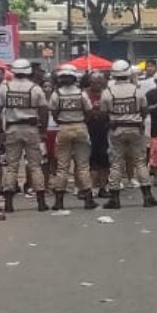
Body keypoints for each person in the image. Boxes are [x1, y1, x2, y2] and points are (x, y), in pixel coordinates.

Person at [102, 59, 157, 209]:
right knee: (140, 162)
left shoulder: (107, 93)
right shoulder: (136, 91)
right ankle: (147, 196)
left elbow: (103, 113)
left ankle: (115, 198)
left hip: (116, 130)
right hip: (135, 129)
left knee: (116, 163)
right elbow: (145, 110)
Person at [0, 58, 49, 213]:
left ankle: (9, 203)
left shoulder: (4, 88)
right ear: (28, 72)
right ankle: (41, 202)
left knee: (11, 166)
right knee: (35, 165)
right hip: (31, 129)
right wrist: (43, 130)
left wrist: (0, 130)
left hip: (12, 129)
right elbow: (44, 110)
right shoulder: (35, 88)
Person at [49, 64, 98, 211]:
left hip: (63, 128)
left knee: (62, 166)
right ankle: (88, 199)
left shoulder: (56, 94)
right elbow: (89, 111)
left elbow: (54, 113)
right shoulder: (81, 93)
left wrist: (62, 121)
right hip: (80, 127)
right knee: (83, 165)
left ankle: (59, 201)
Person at [84, 71, 111, 198]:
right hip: (89, 129)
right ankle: (92, 186)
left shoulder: (107, 93)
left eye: (100, 82)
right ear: (90, 83)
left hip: (105, 129)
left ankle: (103, 186)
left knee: (105, 160)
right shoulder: (84, 94)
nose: (98, 85)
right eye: (95, 82)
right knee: (91, 160)